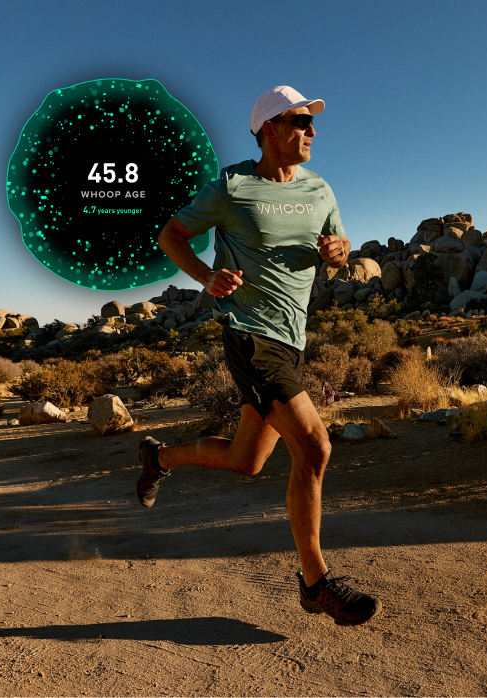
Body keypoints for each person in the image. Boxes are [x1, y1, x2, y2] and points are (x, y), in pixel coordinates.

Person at [134, 86, 381, 626]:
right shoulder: (234, 186)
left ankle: (158, 459)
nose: (312, 132)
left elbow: (337, 252)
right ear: (269, 129)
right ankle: (315, 583)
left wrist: (340, 254)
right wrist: (206, 277)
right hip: (249, 335)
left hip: (291, 341)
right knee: (314, 448)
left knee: (247, 460)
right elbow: (171, 234)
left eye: (312, 123)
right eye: (300, 122)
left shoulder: (320, 190)